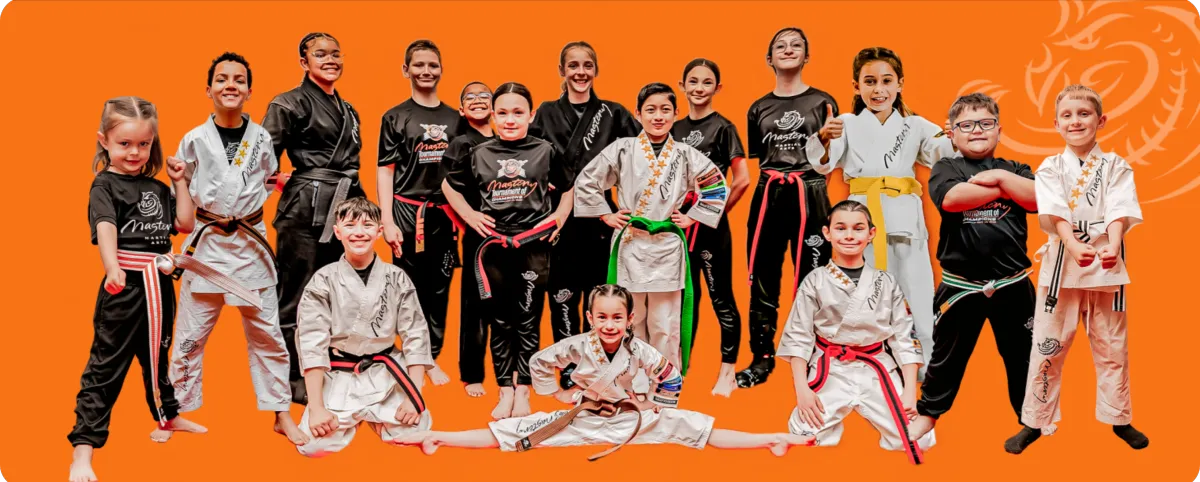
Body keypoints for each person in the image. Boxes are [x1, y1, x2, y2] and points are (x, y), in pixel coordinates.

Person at [413, 284, 813, 459]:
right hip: (582, 416)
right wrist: (557, 395)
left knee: (694, 426)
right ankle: (438, 437)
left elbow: (671, 376)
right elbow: (539, 363)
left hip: (630, 418)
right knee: (518, 431)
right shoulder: (576, 345)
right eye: (601, 317)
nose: (609, 325)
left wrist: (656, 406)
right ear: (590, 318)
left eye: (617, 318)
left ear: (629, 319)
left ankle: (772, 439)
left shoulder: (639, 349)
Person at [167, 52, 306, 445]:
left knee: (269, 335)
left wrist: (265, 192)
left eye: (239, 80)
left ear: (249, 91)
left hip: (249, 247)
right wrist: (180, 185)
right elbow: (183, 191)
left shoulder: (261, 138)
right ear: (208, 89)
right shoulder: (194, 139)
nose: (231, 85)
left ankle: (281, 413)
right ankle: (174, 413)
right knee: (190, 336)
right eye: (222, 79)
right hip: (208, 247)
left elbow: (266, 180)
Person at [69, 97, 206, 482]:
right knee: (105, 366)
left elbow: (184, 223)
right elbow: (106, 226)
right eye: (125, 143)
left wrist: (180, 182)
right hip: (124, 285)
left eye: (143, 144)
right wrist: (111, 266)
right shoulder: (104, 185)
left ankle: (168, 416)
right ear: (104, 141)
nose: (135, 152)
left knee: (157, 357)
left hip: (158, 285)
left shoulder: (156, 186)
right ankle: (83, 450)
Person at [1007, 84, 1148, 452]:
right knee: (1047, 344)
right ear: (1056, 124)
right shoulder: (1051, 167)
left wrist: (1112, 244)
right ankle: (1035, 420)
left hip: (1105, 257)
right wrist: (1071, 243)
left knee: (1112, 344)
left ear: (1100, 120)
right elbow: (1053, 209)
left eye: (1084, 114)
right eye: (1067, 116)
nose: (1076, 121)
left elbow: (1119, 206)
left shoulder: (1116, 165)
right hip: (1063, 262)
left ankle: (1119, 417)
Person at [807, 47, 957, 377]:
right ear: (856, 86)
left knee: (918, 294)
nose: (879, 90)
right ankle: (864, 367)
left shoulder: (915, 125)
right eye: (870, 81)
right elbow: (823, 163)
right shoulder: (846, 123)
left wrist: (954, 135)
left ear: (900, 83)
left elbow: (942, 153)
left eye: (887, 81)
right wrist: (823, 137)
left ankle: (925, 369)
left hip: (905, 218)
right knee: (859, 293)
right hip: (862, 220)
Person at [904, 93, 1039, 453]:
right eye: (966, 125)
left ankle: (1030, 418)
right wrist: (1005, 188)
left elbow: (1036, 198)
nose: (976, 130)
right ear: (952, 133)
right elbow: (952, 200)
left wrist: (999, 176)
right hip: (960, 285)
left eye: (985, 123)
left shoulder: (1016, 167)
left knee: (1023, 355)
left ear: (999, 128)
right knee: (946, 357)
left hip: (1013, 283)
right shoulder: (945, 168)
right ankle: (929, 413)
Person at [574, 82, 728, 391]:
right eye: (651, 110)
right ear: (638, 113)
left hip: (667, 244)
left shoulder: (685, 153)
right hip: (631, 241)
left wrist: (692, 216)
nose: (658, 116)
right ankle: (631, 382)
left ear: (676, 113)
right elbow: (588, 180)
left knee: (665, 321)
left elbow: (715, 183)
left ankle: (665, 383)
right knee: (630, 316)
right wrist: (606, 214)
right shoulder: (623, 148)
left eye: (665, 110)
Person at [444, 82, 574, 420]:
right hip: (495, 248)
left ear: (531, 115)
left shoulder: (545, 150)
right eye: (502, 113)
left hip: (533, 247)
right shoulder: (479, 152)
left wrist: (559, 217)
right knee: (500, 322)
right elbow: (448, 185)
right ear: (493, 115)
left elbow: (569, 187)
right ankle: (505, 390)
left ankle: (523, 390)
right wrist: (470, 215)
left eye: (518, 112)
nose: (510, 120)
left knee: (528, 320)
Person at [778, 201, 931, 465]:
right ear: (827, 233)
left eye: (858, 228)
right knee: (802, 434)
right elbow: (798, 337)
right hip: (831, 368)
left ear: (871, 234)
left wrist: (909, 391)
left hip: (876, 367)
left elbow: (905, 338)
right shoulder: (815, 280)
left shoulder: (886, 282)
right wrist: (802, 390)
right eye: (841, 228)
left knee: (920, 438)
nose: (849, 236)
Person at [529, 41, 641, 390]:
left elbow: (641, 159)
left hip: (601, 218)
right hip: (559, 216)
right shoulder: (546, 112)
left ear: (596, 70)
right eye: (573, 65)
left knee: (599, 295)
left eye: (587, 65)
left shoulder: (614, 113)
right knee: (562, 293)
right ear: (561, 70)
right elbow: (528, 158)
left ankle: (600, 363)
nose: (580, 72)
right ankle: (568, 364)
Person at [263, 32, 365, 405]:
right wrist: (286, 183)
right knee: (297, 294)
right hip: (304, 211)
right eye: (320, 54)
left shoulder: (349, 110)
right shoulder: (288, 103)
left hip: (345, 207)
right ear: (304, 62)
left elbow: (352, 165)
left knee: (337, 292)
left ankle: (330, 367)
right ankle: (292, 377)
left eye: (336, 53)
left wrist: (364, 214)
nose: (330, 60)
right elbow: (262, 159)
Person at [293, 198, 432, 457]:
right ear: (338, 232)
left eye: (367, 225)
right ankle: (362, 416)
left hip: (385, 370)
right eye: (350, 225)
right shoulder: (323, 280)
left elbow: (416, 335)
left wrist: (414, 397)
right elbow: (312, 343)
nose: (359, 232)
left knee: (417, 432)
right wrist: (317, 408)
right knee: (311, 446)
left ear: (379, 231)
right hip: (339, 372)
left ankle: (375, 417)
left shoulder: (397, 277)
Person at [740, 27, 839, 388]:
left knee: (813, 277)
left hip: (809, 191)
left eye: (796, 45)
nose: (788, 49)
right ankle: (762, 358)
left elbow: (832, 159)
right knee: (762, 276)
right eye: (780, 46)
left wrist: (821, 149)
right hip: (769, 193)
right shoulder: (758, 107)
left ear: (806, 56)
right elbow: (758, 157)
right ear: (769, 58)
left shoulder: (823, 102)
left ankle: (811, 355)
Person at [377, 39, 466, 387]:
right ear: (406, 70)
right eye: (419, 65)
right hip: (407, 213)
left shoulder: (456, 118)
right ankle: (414, 356)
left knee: (439, 289)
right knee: (407, 290)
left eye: (432, 65)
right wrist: (387, 221)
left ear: (441, 70)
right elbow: (386, 171)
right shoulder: (395, 117)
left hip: (445, 215)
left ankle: (432, 356)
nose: (426, 71)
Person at [672, 58, 751, 396]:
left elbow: (742, 179)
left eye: (707, 82)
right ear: (682, 85)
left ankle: (727, 371)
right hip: (676, 228)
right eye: (693, 81)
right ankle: (678, 368)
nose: (699, 88)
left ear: (717, 88)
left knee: (721, 298)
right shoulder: (672, 128)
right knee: (681, 300)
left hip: (709, 230)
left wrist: (709, 215)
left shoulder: (723, 128)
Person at [441, 81, 495, 398]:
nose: (477, 100)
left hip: (512, 234)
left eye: (484, 95)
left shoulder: (507, 139)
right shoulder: (461, 143)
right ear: (461, 109)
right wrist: (468, 220)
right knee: (475, 305)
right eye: (469, 97)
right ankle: (472, 374)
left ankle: (511, 371)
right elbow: (446, 190)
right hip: (478, 235)